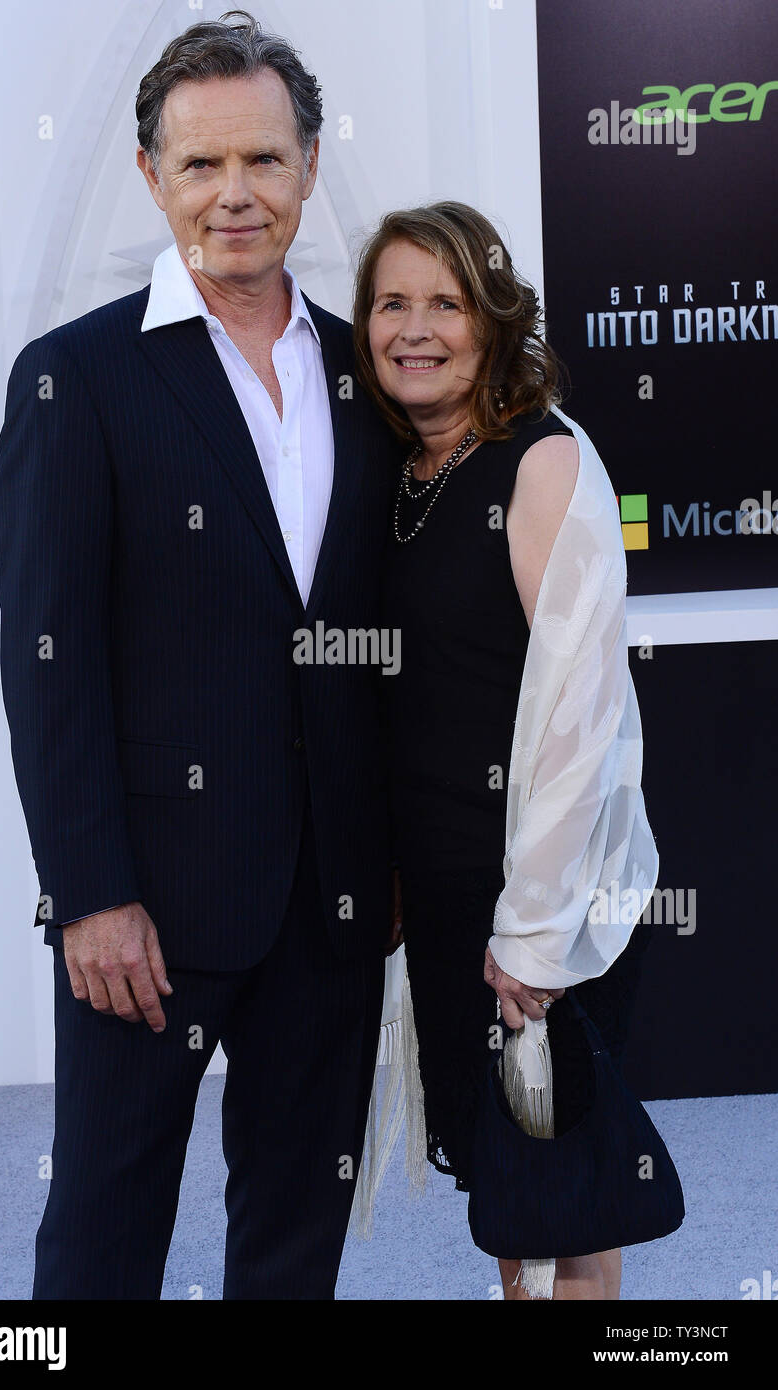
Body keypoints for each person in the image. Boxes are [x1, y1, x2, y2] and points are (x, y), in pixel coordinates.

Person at [0, 12, 400, 1300]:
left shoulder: (370, 375)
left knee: (294, 1227)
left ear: (310, 166)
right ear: (149, 176)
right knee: (105, 1234)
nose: (236, 195)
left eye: (264, 162)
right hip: (146, 909)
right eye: (202, 165)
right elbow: (47, 663)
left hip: (330, 894)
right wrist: (89, 891)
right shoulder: (75, 378)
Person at [352, 201, 660, 1300]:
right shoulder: (398, 474)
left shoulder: (546, 463)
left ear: (492, 321)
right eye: (392, 302)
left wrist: (531, 935)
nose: (416, 327)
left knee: (566, 1202)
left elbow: (582, 714)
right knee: (505, 1194)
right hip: (441, 898)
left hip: (541, 908)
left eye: (445, 302)